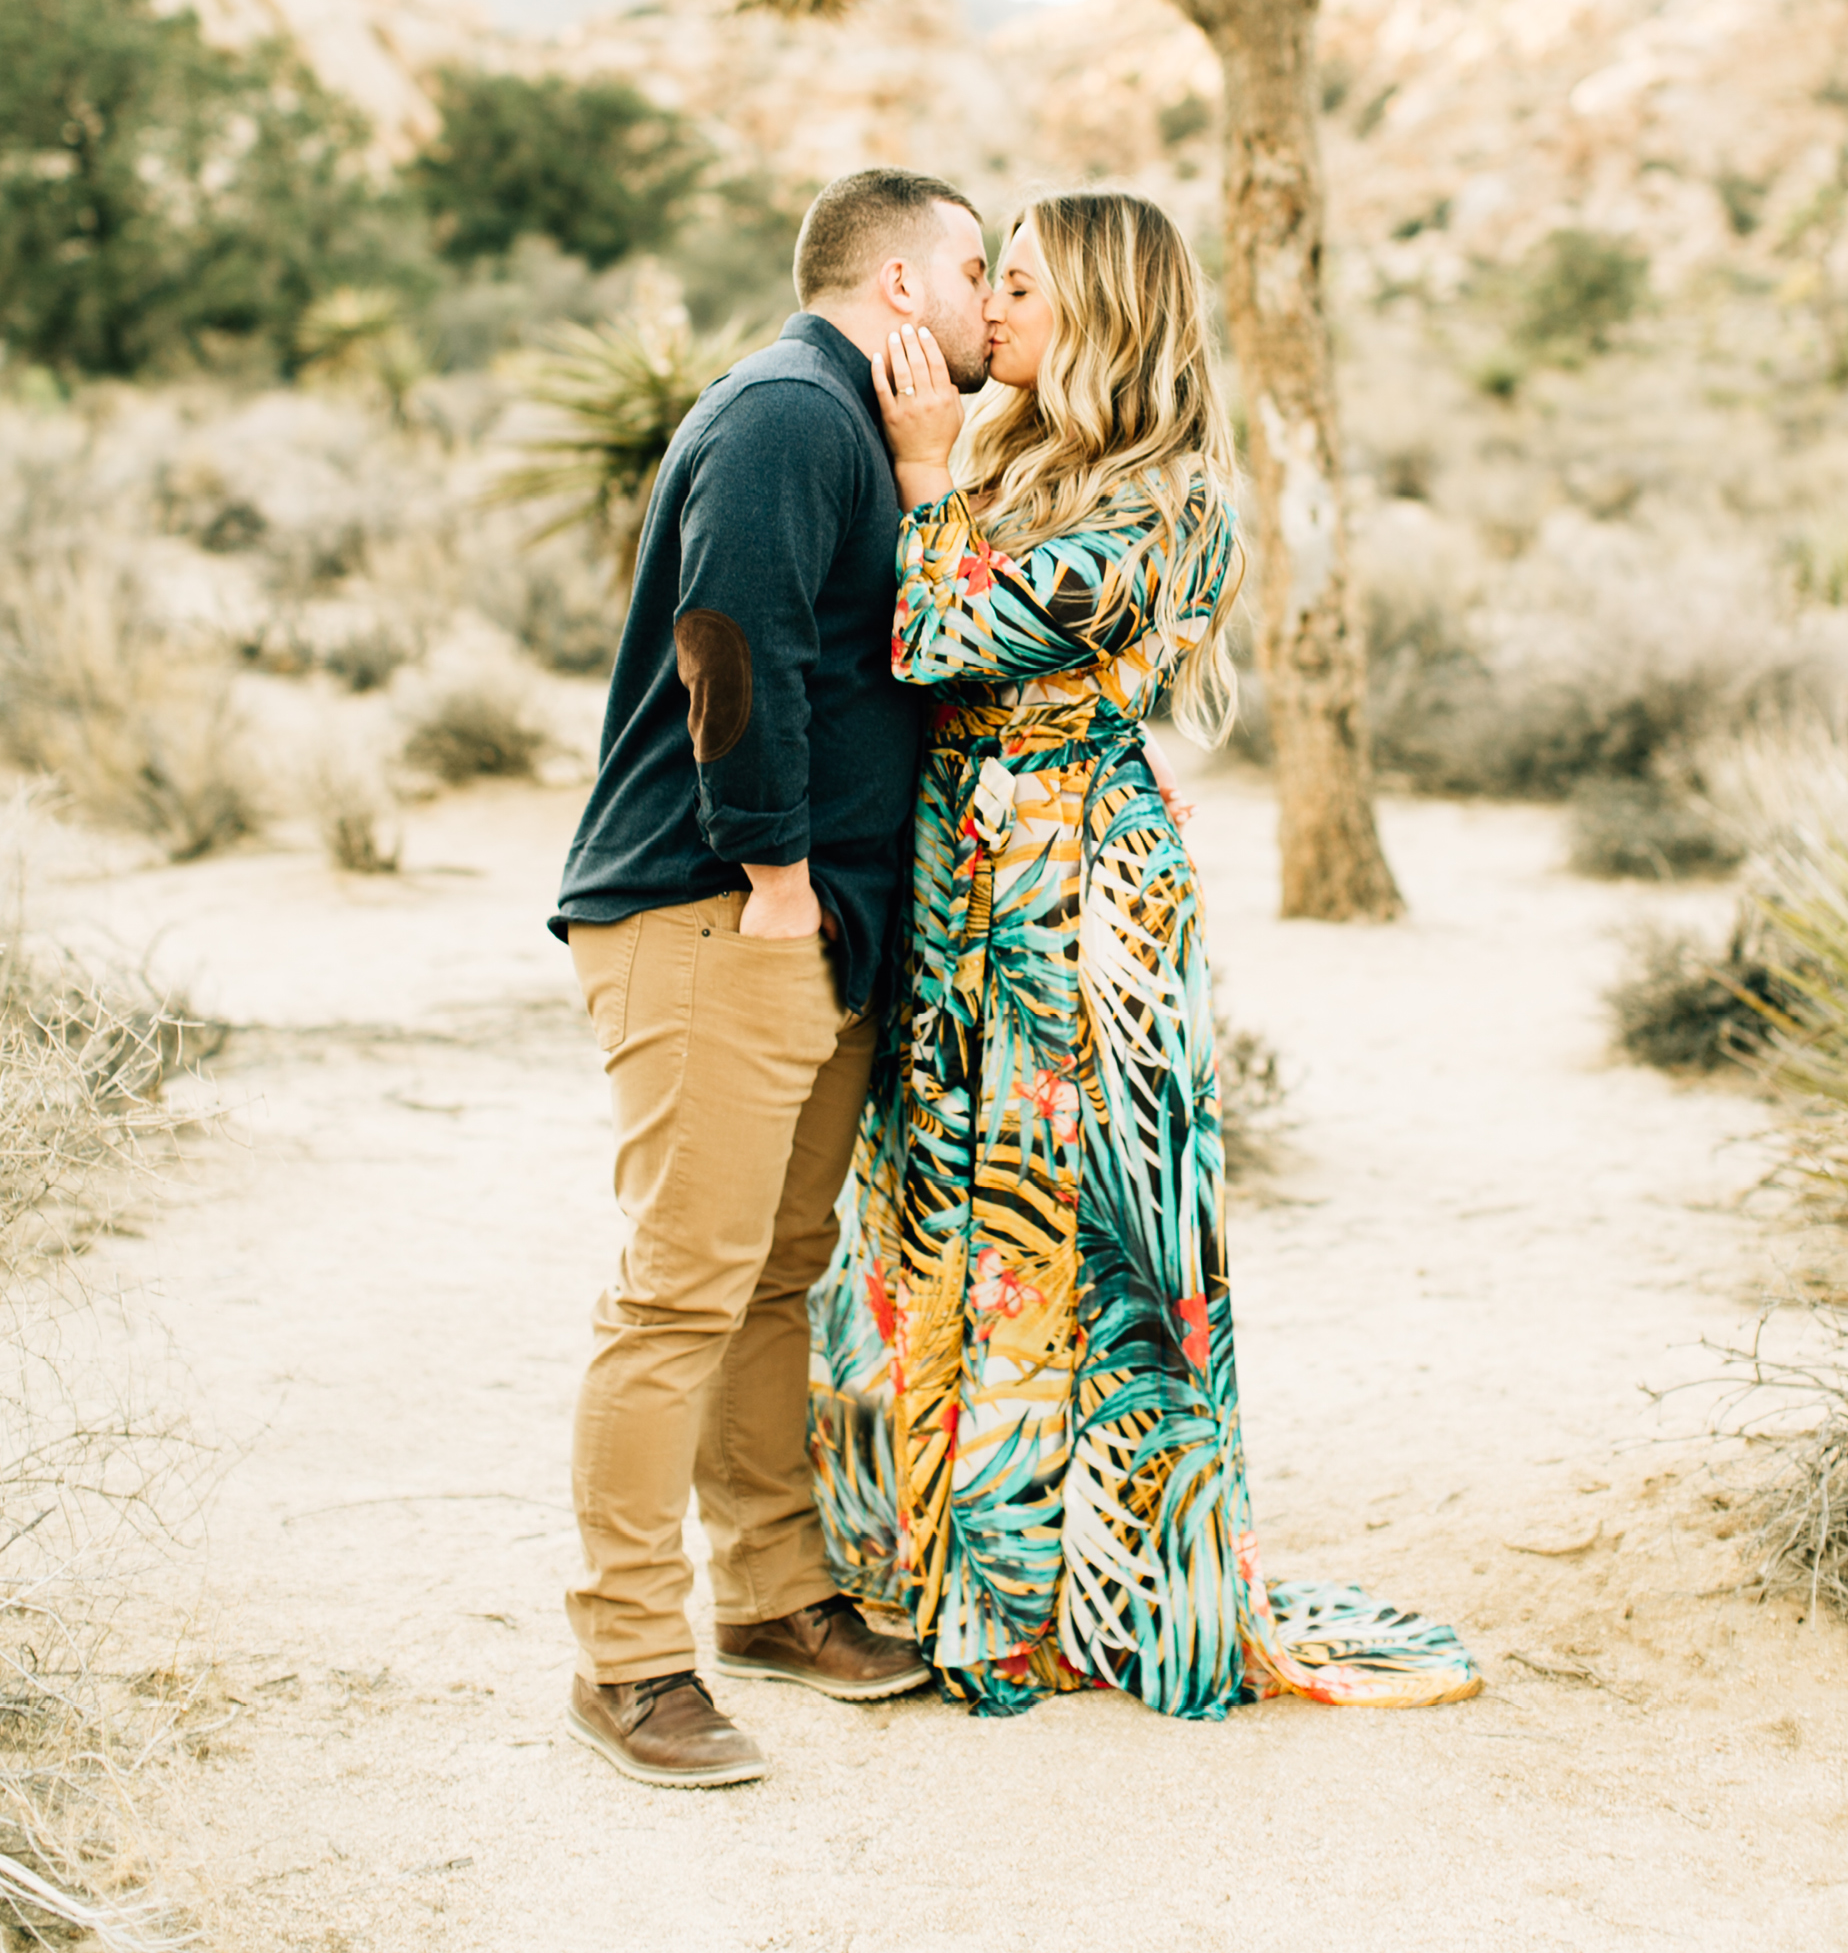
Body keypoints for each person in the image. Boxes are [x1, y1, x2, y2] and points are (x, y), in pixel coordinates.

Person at [809, 189, 1481, 1717]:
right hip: (967, 870)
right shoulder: (1023, 453)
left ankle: (1078, 1585)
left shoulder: (1175, 492)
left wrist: (920, 472)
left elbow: (943, 637)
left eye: (1025, 288)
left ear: (1103, 314)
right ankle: (948, 1561)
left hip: (1077, 888)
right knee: (946, 1204)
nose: (994, 316)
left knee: (1080, 1219)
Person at [553, 167, 993, 1789]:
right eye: (969, 268)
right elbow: (726, 637)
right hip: (716, 912)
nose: (985, 301)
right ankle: (626, 1660)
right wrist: (781, 876)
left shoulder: (859, 428)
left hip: (807, 930)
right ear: (895, 289)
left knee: (770, 1275)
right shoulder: (789, 416)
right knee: (679, 1290)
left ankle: (772, 1593)